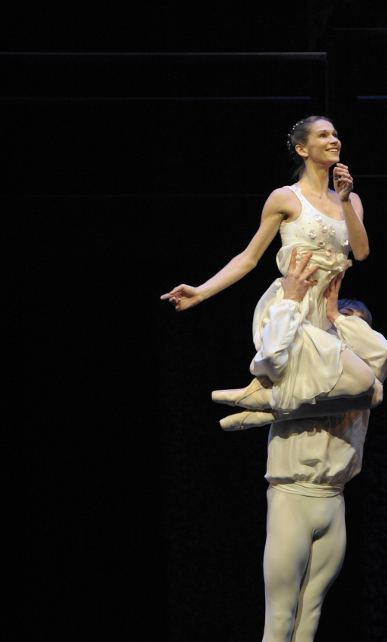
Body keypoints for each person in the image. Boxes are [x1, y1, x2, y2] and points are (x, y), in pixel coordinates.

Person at [236, 256, 387, 642]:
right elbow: (268, 359)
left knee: (308, 626)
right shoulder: (294, 366)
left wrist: (338, 318)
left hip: (334, 502)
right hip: (291, 495)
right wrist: (291, 302)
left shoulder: (361, 373)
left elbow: (383, 359)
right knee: (279, 620)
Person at [161, 115, 376, 417]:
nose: (333, 140)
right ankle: (266, 403)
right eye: (323, 135)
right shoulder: (285, 198)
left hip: (327, 313)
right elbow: (249, 257)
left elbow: (362, 252)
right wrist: (201, 292)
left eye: (335, 134)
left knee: (367, 393)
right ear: (303, 149)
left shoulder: (350, 199)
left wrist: (343, 201)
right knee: (362, 385)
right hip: (293, 309)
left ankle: (265, 407)